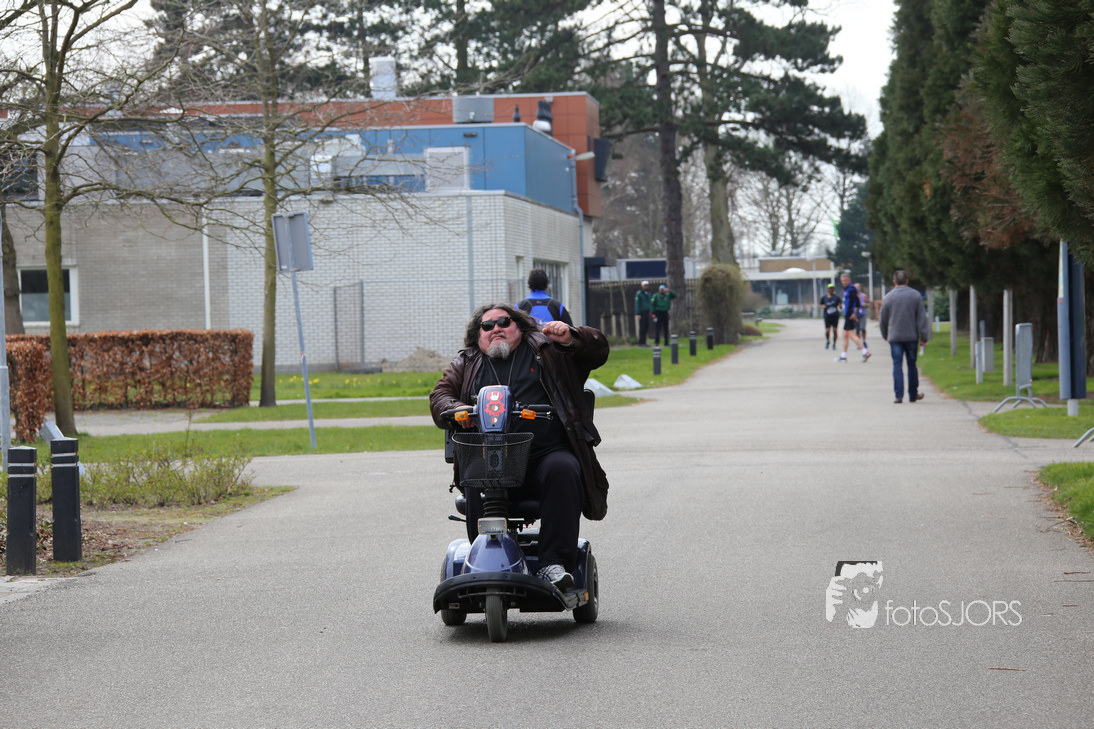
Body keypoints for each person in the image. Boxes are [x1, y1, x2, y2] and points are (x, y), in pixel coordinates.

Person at [430, 304, 609, 590]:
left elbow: (598, 351)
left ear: (519, 326)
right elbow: (440, 395)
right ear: (478, 335)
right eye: (487, 325)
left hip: (543, 456)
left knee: (564, 467)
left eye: (504, 321)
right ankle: (481, 560)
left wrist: (573, 337)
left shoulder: (547, 349)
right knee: (475, 473)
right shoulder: (467, 361)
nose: (496, 328)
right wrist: (456, 407)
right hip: (489, 458)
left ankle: (553, 564)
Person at [878, 270, 931, 403]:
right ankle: (913, 394)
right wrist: (924, 336)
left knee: (897, 365)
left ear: (894, 282)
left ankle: (898, 395)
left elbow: (882, 319)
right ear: (907, 281)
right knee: (911, 364)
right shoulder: (915, 295)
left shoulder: (888, 297)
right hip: (911, 336)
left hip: (895, 337)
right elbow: (921, 318)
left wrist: (885, 334)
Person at [837, 272, 870, 363]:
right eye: (842, 281)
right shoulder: (847, 289)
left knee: (851, 334)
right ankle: (843, 356)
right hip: (847, 314)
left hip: (850, 315)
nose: (843, 282)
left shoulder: (851, 289)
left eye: (845, 280)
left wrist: (854, 313)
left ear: (849, 280)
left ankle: (865, 352)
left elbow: (856, 302)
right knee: (844, 335)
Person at [820, 283, 841, 349]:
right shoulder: (824, 297)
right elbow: (821, 304)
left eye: (832, 288)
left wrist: (840, 306)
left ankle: (834, 344)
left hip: (835, 316)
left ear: (834, 289)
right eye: (830, 288)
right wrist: (823, 306)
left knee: (835, 330)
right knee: (827, 331)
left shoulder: (837, 297)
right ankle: (827, 341)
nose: (831, 290)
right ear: (828, 289)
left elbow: (840, 305)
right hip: (827, 316)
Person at [634, 280, 653, 347]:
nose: (646, 286)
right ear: (642, 286)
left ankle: (644, 342)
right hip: (642, 312)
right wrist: (638, 313)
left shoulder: (648, 293)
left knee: (646, 327)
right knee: (642, 327)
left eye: (647, 285)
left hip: (647, 312)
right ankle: (641, 342)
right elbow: (637, 304)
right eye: (645, 285)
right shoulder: (639, 293)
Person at [854, 283, 869, 348]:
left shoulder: (864, 295)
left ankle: (864, 341)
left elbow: (868, 304)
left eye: (858, 287)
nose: (857, 288)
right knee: (857, 330)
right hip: (856, 314)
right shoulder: (853, 296)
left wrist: (865, 304)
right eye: (856, 287)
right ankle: (858, 343)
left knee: (862, 328)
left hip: (863, 314)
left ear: (860, 288)